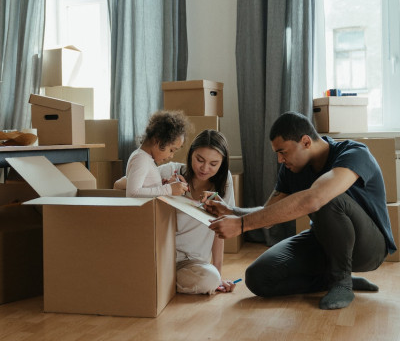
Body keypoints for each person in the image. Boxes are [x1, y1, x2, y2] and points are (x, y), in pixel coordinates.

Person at [204, 111, 396, 310]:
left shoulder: (354, 153)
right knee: (258, 278)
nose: (280, 160)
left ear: (305, 142)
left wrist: (241, 225)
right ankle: (332, 279)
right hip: (324, 242)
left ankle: (342, 282)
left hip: (369, 248)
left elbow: (315, 198)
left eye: (283, 152)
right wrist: (232, 212)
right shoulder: (291, 169)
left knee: (327, 198)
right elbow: (269, 214)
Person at [115, 129, 237, 295]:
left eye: (213, 164)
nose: (205, 168)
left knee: (211, 279)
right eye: (199, 160)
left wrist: (219, 275)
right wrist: (163, 187)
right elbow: (120, 184)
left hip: (192, 263)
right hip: (161, 255)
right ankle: (158, 280)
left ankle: (157, 282)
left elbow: (220, 230)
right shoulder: (171, 171)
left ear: (222, 164)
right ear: (190, 154)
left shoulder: (225, 183)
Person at [122, 110, 190, 197]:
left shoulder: (146, 158)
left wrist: (160, 185)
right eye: (171, 150)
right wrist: (169, 189)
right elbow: (132, 193)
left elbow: (145, 188)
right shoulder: (141, 159)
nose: (171, 156)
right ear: (157, 140)